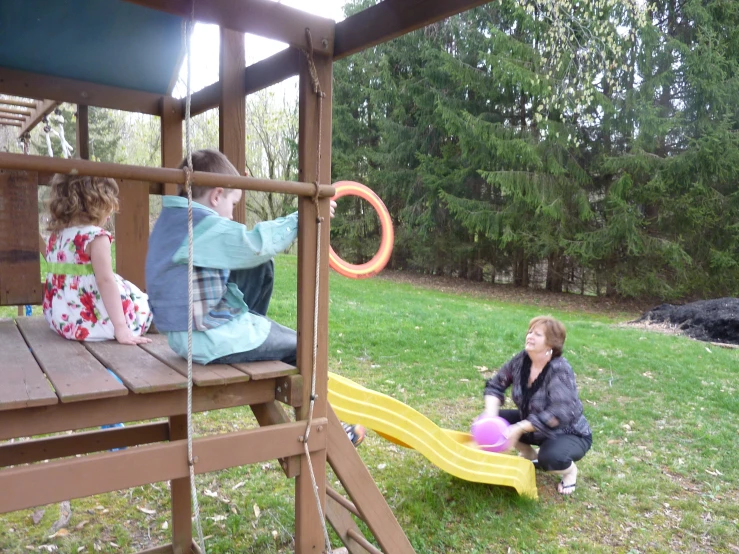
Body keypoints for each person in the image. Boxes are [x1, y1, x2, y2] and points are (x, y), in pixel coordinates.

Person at [146, 149, 364, 446]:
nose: (233, 213)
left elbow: (253, 258)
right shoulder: (199, 225)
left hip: (182, 334)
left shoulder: (172, 222)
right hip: (206, 340)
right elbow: (254, 244)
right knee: (306, 347)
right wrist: (301, 218)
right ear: (216, 196)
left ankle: (254, 331)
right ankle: (330, 432)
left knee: (264, 267)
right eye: (233, 204)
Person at [482, 316, 591, 495]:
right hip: (534, 425)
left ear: (550, 344)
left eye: (537, 334)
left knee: (550, 459)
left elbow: (560, 412)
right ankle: (529, 454)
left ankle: (570, 472)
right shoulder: (521, 360)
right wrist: (490, 416)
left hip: (568, 432)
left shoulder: (559, 369)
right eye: (530, 332)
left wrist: (519, 428)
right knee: (496, 421)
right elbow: (496, 385)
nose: (530, 336)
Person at [43, 173, 152, 345]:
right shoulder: (95, 237)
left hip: (64, 321)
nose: (108, 217)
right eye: (107, 208)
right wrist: (121, 328)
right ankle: (135, 321)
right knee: (142, 304)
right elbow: (105, 281)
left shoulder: (56, 237)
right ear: (95, 205)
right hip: (92, 319)